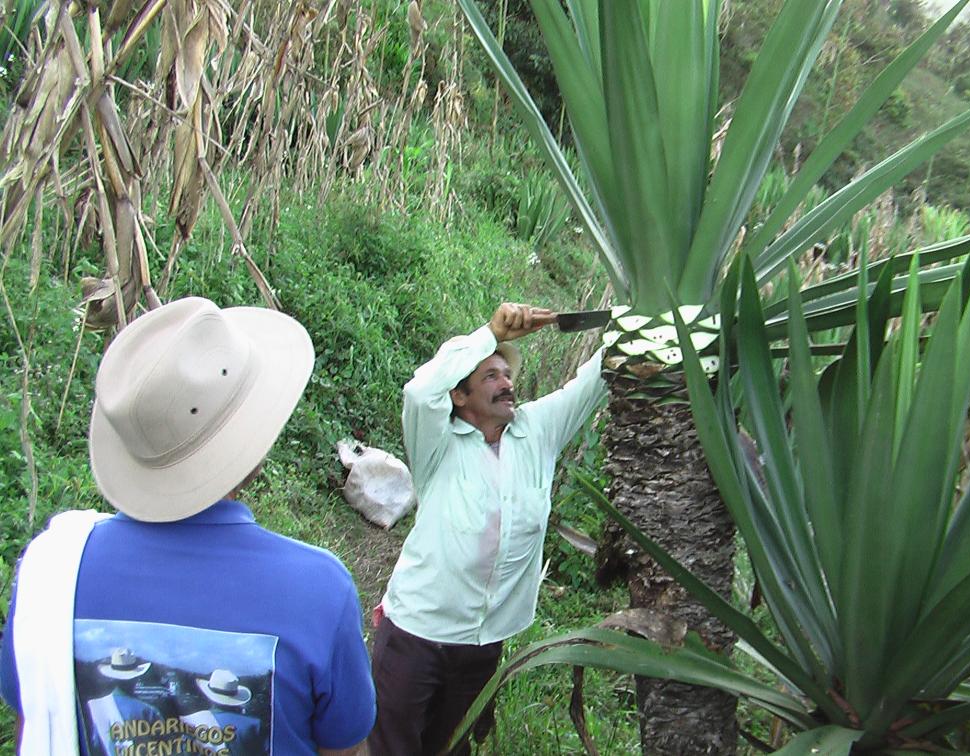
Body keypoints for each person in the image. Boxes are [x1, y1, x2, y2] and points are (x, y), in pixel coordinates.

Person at [0, 297, 375, 755]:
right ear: (253, 449)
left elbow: (34, 725)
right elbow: (345, 748)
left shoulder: (52, 575)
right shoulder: (320, 589)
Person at [370, 302, 607, 755]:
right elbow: (421, 392)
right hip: (417, 635)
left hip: (482, 642)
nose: (507, 384)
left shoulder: (535, 431)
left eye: (508, 374)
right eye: (491, 376)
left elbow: (592, 383)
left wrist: (634, 316)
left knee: (451, 748)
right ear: (460, 396)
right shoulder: (436, 444)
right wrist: (491, 333)